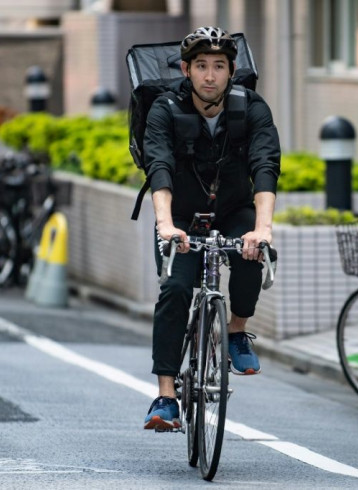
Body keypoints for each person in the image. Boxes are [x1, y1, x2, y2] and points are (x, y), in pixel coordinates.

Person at [142, 26, 281, 430]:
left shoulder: (252, 108)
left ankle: (236, 332)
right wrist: (166, 226)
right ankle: (166, 398)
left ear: (232, 71)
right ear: (186, 69)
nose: (209, 75)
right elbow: (160, 168)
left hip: (234, 209)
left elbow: (266, 167)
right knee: (175, 289)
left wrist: (263, 230)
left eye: (218, 66)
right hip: (181, 217)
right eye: (201, 66)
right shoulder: (165, 110)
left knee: (252, 254)